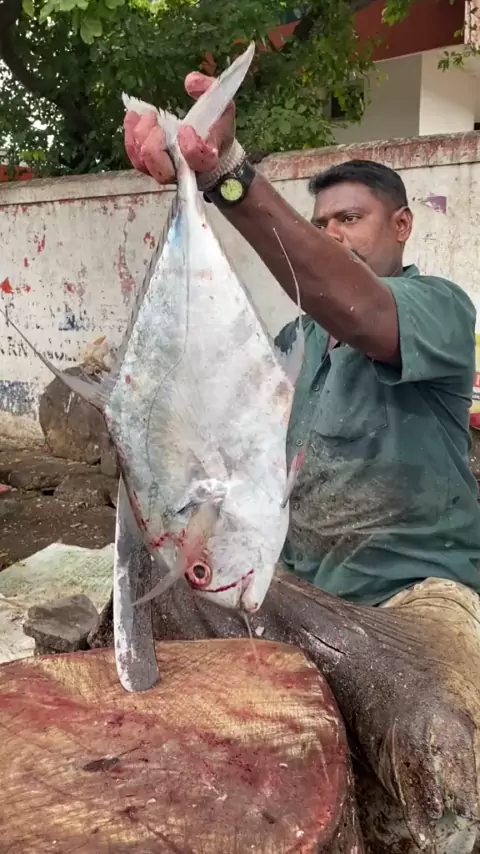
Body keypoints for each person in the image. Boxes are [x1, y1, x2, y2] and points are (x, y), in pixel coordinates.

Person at [123, 68, 480, 853]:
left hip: (414, 606)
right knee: (146, 602)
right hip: (297, 597)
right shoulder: (293, 344)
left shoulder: (439, 310)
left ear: (403, 226)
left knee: (434, 738)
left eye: (351, 218)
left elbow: (355, 305)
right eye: (323, 222)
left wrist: (227, 175)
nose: (334, 233)